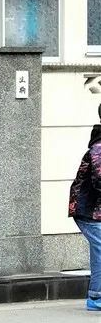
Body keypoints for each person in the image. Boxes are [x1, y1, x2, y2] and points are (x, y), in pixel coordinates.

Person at [68, 105, 101, 311]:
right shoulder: (99, 147)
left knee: (99, 251)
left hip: (95, 210)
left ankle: (95, 296)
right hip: (88, 210)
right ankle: (96, 297)